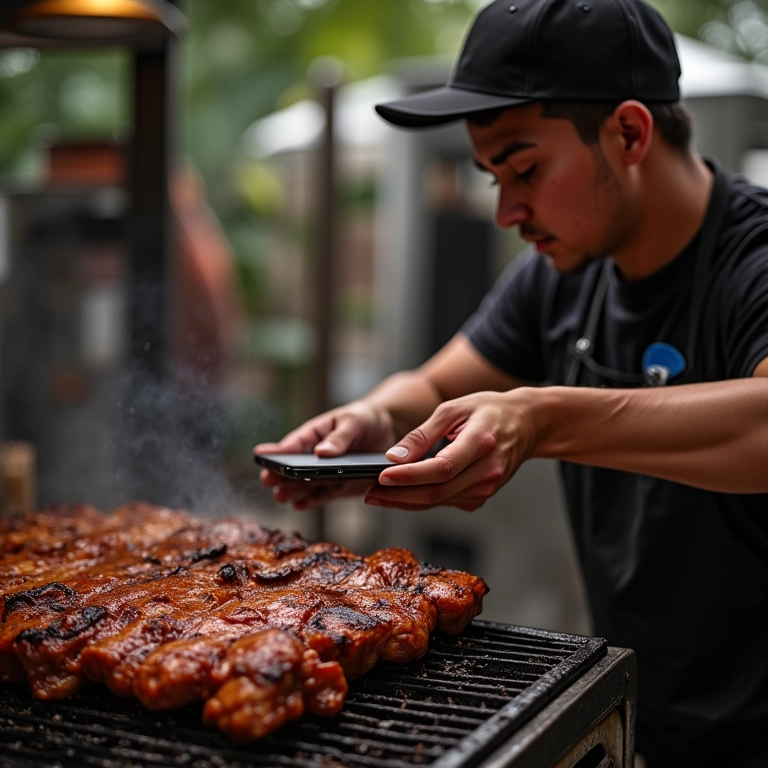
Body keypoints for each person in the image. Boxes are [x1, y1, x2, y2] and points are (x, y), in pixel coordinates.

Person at [254, 0, 768, 765]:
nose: (505, 211)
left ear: (630, 134)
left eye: (525, 170)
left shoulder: (752, 259)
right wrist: (374, 417)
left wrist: (541, 418)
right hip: (641, 715)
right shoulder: (558, 275)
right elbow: (432, 386)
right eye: (493, 177)